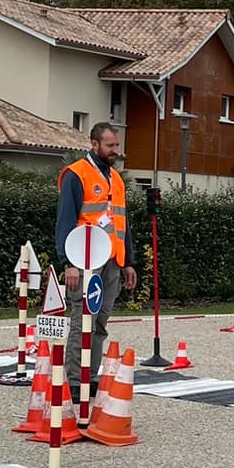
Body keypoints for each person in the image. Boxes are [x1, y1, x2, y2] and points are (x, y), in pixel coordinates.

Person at [55, 123, 137, 391]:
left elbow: (123, 223)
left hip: (112, 261)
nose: (116, 150)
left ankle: (89, 377)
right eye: (110, 145)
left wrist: (128, 262)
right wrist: (68, 263)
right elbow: (65, 221)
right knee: (83, 320)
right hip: (85, 261)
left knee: (100, 321)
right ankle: (74, 381)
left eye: (117, 145)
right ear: (94, 144)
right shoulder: (76, 174)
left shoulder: (116, 178)